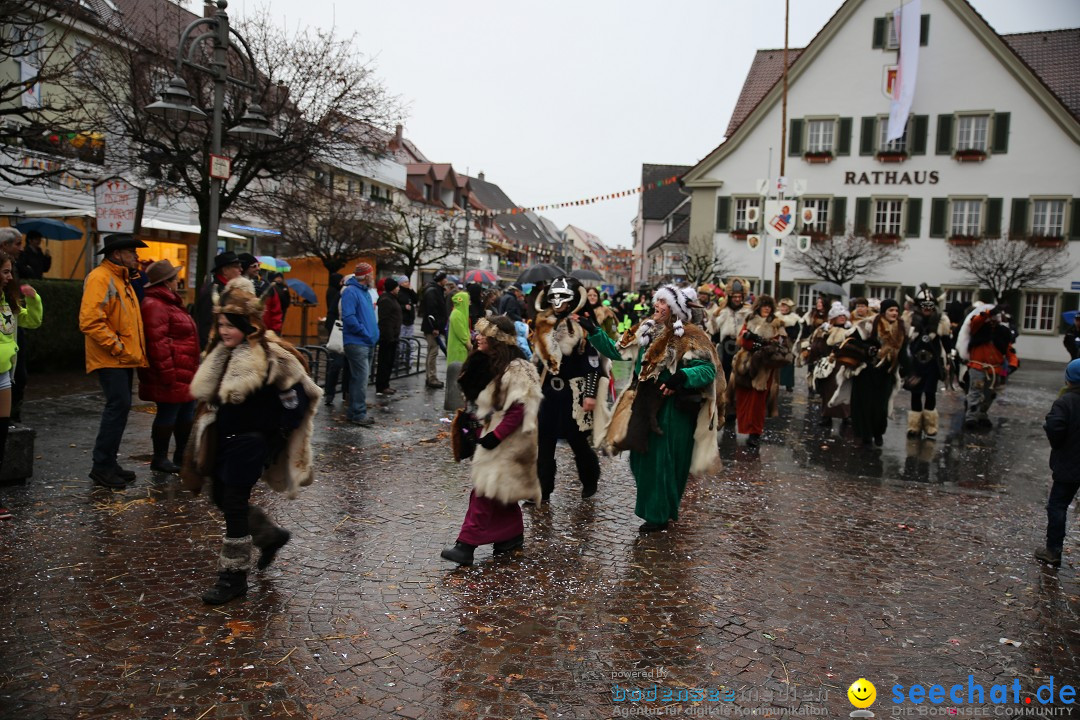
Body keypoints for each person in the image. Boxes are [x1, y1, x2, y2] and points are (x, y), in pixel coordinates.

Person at [182, 276, 322, 604]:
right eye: (221, 324)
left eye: (231, 324)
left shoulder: (271, 357)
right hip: (223, 438)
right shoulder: (223, 352)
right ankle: (269, 535)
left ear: (247, 325)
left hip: (250, 443)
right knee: (220, 496)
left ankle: (233, 576)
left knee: (232, 504)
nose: (225, 330)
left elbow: (296, 399)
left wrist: (277, 434)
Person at [582, 284, 719, 532]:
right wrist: (593, 330)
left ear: (675, 308)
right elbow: (617, 350)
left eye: (664, 303)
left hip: (673, 407)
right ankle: (657, 509)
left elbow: (708, 370)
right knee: (640, 458)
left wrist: (682, 377)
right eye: (657, 301)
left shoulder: (691, 335)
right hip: (644, 402)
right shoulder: (646, 330)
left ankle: (659, 514)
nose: (657, 306)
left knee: (665, 460)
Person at [440, 316, 542, 566]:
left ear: (497, 339)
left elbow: (519, 408)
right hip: (493, 433)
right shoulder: (490, 362)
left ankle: (466, 545)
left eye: (484, 334)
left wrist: (495, 437)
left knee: (484, 490)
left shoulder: (518, 367)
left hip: (511, 439)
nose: (478, 337)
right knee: (498, 490)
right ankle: (511, 535)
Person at [78, 234, 148, 488]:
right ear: (117, 254)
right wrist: (117, 347)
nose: (136, 256)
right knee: (116, 408)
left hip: (121, 357)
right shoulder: (101, 277)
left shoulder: (122, 278)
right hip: (112, 358)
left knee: (119, 408)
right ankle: (102, 465)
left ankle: (108, 462)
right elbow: (90, 320)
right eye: (132, 251)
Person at [532, 277, 607, 502]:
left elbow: (593, 364)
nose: (557, 302)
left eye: (562, 298)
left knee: (577, 441)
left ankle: (590, 478)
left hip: (572, 394)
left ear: (571, 300)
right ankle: (542, 489)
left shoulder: (581, 327)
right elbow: (537, 362)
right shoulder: (542, 325)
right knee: (544, 442)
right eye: (554, 297)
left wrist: (590, 395)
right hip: (547, 392)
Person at [137, 259, 199, 474]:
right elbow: (157, 343)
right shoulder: (155, 305)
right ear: (166, 282)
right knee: (168, 414)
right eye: (175, 279)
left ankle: (180, 455)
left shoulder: (170, 302)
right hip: (170, 370)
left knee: (186, 413)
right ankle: (160, 458)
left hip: (183, 369)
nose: (177, 282)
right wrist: (166, 373)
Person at [0, 251, 42, 520]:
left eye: (10, 271)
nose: (9, 277)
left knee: (0, 435)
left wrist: (33, 298)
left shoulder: (8, 300)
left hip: (4, 376)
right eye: (5, 271)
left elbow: (32, 321)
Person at [1034, 359, 1080, 567]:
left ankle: (1053, 551)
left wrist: (1058, 444)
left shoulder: (1065, 401)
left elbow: (1055, 426)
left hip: (1069, 463)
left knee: (1057, 505)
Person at [728, 295, 787, 448]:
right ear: (758, 307)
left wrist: (764, 345)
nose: (766, 308)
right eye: (764, 305)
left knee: (758, 401)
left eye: (769, 306)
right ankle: (744, 428)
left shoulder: (777, 322)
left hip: (765, 367)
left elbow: (782, 344)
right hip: (746, 363)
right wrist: (756, 345)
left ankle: (755, 433)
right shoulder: (750, 318)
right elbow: (742, 340)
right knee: (743, 397)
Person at [847, 298, 906, 446]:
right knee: (864, 404)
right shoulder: (868, 324)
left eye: (896, 310)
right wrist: (869, 349)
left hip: (886, 372)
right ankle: (865, 434)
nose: (894, 313)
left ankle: (878, 433)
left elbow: (904, 351)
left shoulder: (900, 328)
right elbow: (853, 341)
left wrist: (910, 370)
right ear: (883, 311)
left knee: (881, 406)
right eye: (891, 310)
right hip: (866, 370)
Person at [903, 285, 952, 439]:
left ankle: (930, 426)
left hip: (932, 363)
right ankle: (914, 427)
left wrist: (949, 359)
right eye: (924, 306)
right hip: (915, 364)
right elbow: (903, 342)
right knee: (916, 394)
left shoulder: (941, 321)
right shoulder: (909, 320)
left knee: (930, 393)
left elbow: (946, 341)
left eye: (930, 306)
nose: (927, 309)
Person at [959, 303, 1018, 430]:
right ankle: (971, 417)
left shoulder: (1003, 334)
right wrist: (988, 312)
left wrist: (1012, 365)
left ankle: (982, 414)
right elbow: (975, 321)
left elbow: (1009, 351)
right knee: (975, 392)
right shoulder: (978, 329)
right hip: (978, 367)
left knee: (990, 394)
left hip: (995, 369)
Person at [707, 277, 752, 418]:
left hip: (742, 347)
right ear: (730, 296)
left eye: (740, 296)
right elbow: (713, 331)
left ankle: (737, 407)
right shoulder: (721, 311)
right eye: (735, 296)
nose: (737, 299)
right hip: (725, 348)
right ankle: (725, 407)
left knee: (740, 378)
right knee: (724, 378)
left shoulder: (748, 312)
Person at [341, 262, 379, 426]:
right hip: (358, 342)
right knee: (360, 380)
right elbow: (349, 318)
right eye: (371, 274)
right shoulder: (351, 292)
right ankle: (358, 413)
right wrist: (365, 332)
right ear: (367, 276)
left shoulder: (365, 292)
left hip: (366, 341)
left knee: (359, 379)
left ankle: (354, 411)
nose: (373, 277)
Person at [804, 302, 852, 428]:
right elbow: (815, 347)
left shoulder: (851, 331)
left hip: (845, 364)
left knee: (844, 391)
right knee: (828, 391)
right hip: (829, 365)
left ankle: (846, 416)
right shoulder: (823, 330)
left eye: (844, 315)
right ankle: (826, 415)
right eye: (839, 315)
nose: (842, 317)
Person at [195, 251, 243, 349]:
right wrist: (209, 351)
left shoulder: (228, 289)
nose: (240, 270)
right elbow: (206, 326)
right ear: (225, 270)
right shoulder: (212, 292)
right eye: (236, 266)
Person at [238, 253, 283, 334]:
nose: (258, 269)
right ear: (245, 268)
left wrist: (275, 331)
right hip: (244, 334)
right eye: (254, 266)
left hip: (266, 333)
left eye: (258, 265)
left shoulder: (266, 286)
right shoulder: (236, 286)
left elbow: (276, 310)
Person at [323, 273, 349, 407]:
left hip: (348, 334)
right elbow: (332, 314)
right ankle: (330, 393)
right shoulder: (339, 294)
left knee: (347, 365)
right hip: (338, 334)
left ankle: (346, 393)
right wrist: (335, 328)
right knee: (337, 364)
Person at [420, 270, 450, 388]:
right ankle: (432, 377)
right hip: (432, 328)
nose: (446, 281)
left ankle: (430, 376)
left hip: (432, 326)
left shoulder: (435, 290)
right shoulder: (433, 292)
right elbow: (432, 311)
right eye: (445, 279)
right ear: (440, 280)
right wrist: (435, 327)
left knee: (431, 351)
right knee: (433, 352)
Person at [375, 277, 402, 396]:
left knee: (389, 362)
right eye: (397, 286)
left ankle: (386, 384)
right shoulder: (386, 300)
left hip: (393, 336)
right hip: (387, 338)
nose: (399, 288)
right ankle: (382, 386)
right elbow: (385, 321)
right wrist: (389, 336)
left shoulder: (392, 299)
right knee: (384, 362)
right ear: (392, 288)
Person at [777, 298, 800, 391]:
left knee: (788, 362)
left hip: (789, 342)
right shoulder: (776, 316)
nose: (783, 308)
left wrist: (788, 335)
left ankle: (788, 384)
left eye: (785, 306)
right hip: (778, 341)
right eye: (782, 306)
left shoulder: (794, 319)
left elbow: (796, 331)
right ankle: (777, 381)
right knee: (777, 361)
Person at [395, 275, 417, 369]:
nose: (407, 283)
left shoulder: (409, 292)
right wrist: (404, 307)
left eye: (408, 281)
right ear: (400, 284)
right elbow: (396, 305)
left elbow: (416, 300)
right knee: (402, 342)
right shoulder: (398, 293)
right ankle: (400, 360)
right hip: (402, 321)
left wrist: (412, 291)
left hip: (410, 320)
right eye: (405, 282)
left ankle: (408, 360)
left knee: (410, 341)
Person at [447, 289, 471, 366]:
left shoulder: (460, 313)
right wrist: (470, 347)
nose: (469, 303)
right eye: (468, 300)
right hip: (457, 350)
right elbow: (462, 334)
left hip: (461, 349)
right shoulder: (457, 314)